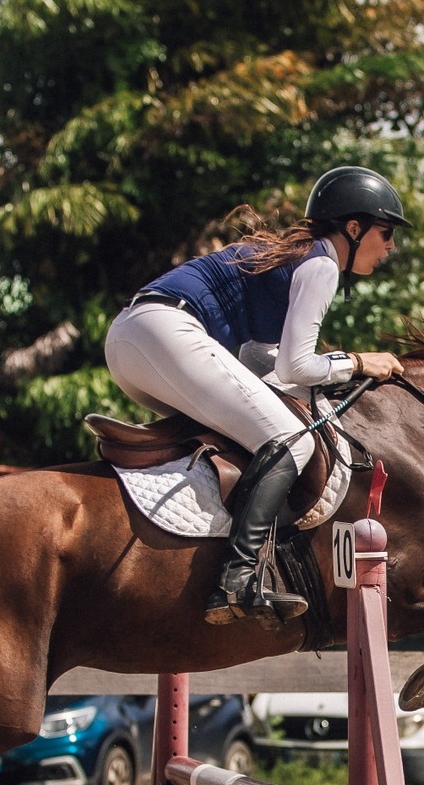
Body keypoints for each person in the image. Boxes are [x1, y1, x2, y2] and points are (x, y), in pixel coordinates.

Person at [105, 166, 408, 628]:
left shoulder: (294, 258)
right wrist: (360, 362)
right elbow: (295, 367)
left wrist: (328, 376)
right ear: (354, 227)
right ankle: (238, 577)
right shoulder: (322, 263)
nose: (390, 247)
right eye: (385, 233)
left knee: (253, 434)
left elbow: (259, 362)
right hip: (166, 334)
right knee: (294, 441)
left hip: (129, 339)